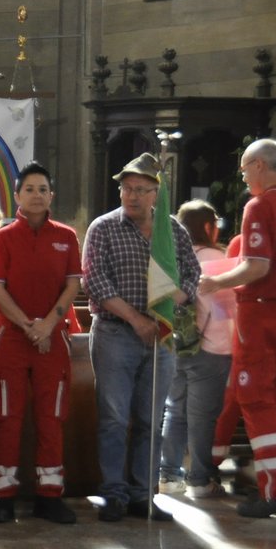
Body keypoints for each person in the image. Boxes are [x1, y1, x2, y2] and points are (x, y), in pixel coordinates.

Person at [197, 139, 276, 518]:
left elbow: (256, 266)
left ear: (261, 166)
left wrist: (215, 282)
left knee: (254, 397)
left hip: (262, 311)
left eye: (246, 167)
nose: (244, 175)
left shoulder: (261, 204)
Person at [82, 152, 201, 523]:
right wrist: (136, 319)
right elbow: (95, 281)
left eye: (141, 190)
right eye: (126, 188)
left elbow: (192, 275)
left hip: (160, 337)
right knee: (114, 417)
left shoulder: (173, 231)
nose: (131, 196)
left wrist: (169, 308)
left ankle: (143, 494)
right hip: (116, 334)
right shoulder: (103, 228)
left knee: (152, 419)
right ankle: (114, 493)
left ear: (156, 194)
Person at [0, 163, 82, 525]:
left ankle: (49, 495)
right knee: (6, 417)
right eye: (30, 189)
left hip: (52, 339)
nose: (37, 195)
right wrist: (29, 326)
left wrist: (49, 324)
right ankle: (3, 496)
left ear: (51, 195)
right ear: (18, 195)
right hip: (12, 338)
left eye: (43, 189)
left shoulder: (67, 236)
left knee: (51, 418)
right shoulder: (3, 238)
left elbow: (72, 284)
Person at [159, 200, 235, 500]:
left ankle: (168, 475)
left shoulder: (176, 259)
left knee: (174, 409)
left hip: (179, 344)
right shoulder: (218, 258)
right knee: (203, 416)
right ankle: (200, 479)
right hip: (212, 347)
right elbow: (231, 309)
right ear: (208, 227)